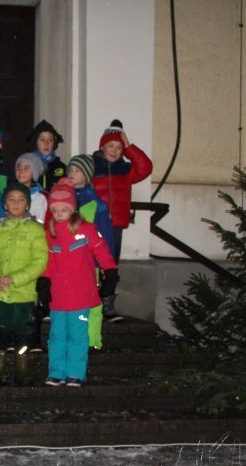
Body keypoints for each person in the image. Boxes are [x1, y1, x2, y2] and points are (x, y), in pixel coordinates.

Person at [40, 179, 118, 387]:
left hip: (80, 295)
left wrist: (110, 271)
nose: (58, 214)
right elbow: (48, 262)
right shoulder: (51, 234)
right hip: (58, 296)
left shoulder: (87, 230)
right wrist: (44, 283)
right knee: (56, 336)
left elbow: (102, 251)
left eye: (63, 209)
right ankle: (56, 372)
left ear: (72, 209)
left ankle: (75, 372)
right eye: (54, 210)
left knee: (77, 336)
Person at [0, 183, 48, 386]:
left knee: (23, 333)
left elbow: (39, 262)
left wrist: (15, 279)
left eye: (21, 200)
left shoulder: (36, 230)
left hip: (24, 293)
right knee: (2, 332)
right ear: (4, 204)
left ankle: (22, 371)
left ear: (27, 204)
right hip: (2, 293)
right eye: (11, 199)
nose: (16, 203)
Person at [91, 119, 152, 321]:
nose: (115, 150)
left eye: (119, 147)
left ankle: (107, 301)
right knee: (91, 263)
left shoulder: (125, 171)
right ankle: (89, 300)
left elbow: (145, 167)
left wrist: (129, 147)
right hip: (94, 225)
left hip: (115, 225)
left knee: (111, 264)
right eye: (111, 146)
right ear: (102, 146)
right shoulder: (92, 167)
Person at [68, 153, 116, 348]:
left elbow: (104, 235)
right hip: (68, 262)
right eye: (70, 169)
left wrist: (104, 264)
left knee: (92, 303)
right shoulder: (64, 197)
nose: (72, 173)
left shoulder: (95, 203)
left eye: (77, 170)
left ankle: (92, 340)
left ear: (86, 175)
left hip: (90, 263)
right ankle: (73, 339)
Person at [0, 152, 48, 223]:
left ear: (34, 172)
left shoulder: (40, 197)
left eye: (26, 168)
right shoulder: (6, 193)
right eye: (18, 167)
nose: (21, 171)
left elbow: (41, 222)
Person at [29, 120, 67, 192]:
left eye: (50, 140)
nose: (46, 143)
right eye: (42, 139)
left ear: (54, 143)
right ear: (35, 142)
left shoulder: (62, 167)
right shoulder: (27, 166)